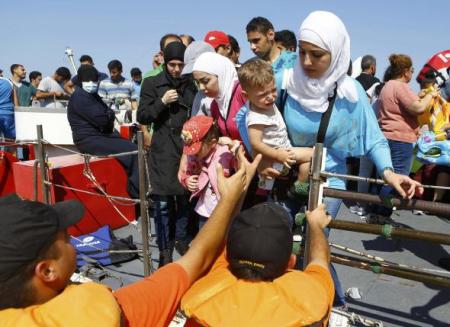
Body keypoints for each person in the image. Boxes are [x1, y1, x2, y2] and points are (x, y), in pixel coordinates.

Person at [0, 148, 261, 326]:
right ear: (47, 271)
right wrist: (232, 196)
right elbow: (197, 258)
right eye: (66, 238)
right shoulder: (113, 313)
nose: (74, 242)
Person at [271, 10, 422, 308]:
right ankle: (289, 306)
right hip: (284, 178)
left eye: (317, 55)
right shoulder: (284, 81)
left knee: (314, 247)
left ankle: (334, 307)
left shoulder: (350, 93)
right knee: (276, 244)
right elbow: (248, 115)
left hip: (329, 183)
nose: (307, 62)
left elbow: (374, 138)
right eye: (303, 52)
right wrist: (265, 155)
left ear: (337, 53)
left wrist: (390, 173)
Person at [181, 202, 334, 326]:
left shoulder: (206, 297)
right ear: (291, 262)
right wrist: (315, 226)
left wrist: (232, 194)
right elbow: (319, 259)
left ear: (226, 254)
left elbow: (209, 242)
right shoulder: (311, 296)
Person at [138, 42, 197, 265]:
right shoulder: (152, 82)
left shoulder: (191, 84)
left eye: (180, 65)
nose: (176, 69)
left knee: (184, 199)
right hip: (162, 148)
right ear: (164, 62)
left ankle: (180, 240)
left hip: (185, 148)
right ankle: (164, 248)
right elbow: (142, 116)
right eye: (172, 64)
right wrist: (161, 103)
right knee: (162, 203)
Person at [367, 54, 436, 224]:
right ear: (405, 71)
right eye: (412, 70)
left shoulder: (388, 86)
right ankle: (382, 216)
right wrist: (431, 95)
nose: (412, 74)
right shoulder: (401, 86)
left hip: (386, 136)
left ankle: (375, 213)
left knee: (384, 177)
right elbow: (418, 108)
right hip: (400, 139)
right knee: (396, 179)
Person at [239, 59, 312, 197]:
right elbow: (255, 143)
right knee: (313, 154)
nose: (270, 97)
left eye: (273, 90)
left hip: (279, 154)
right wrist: (278, 155)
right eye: (262, 95)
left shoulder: (260, 105)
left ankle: (299, 185)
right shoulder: (256, 117)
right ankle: (300, 186)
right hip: (278, 155)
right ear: (246, 96)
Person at [67, 65, 140, 199]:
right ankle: (137, 194)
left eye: (95, 80)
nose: (94, 83)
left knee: (130, 146)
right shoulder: (80, 97)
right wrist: (109, 115)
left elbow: (107, 112)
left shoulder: (91, 95)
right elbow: (102, 120)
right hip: (89, 139)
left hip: (101, 135)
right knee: (133, 151)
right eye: (91, 81)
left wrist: (108, 115)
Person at [180, 116, 236, 229]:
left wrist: (234, 148)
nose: (194, 153)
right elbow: (187, 172)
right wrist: (187, 180)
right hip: (205, 211)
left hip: (225, 210)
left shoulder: (224, 153)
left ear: (213, 142)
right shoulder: (195, 157)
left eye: (197, 149)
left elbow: (240, 169)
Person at [192, 52, 245, 141]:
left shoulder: (243, 92)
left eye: (205, 81)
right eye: (197, 83)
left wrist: (240, 146)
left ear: (221, 75)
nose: (201, 87)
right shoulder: (215, 105)